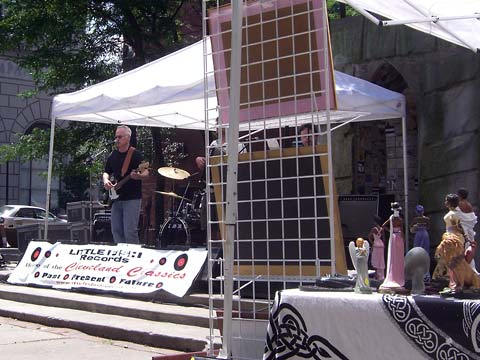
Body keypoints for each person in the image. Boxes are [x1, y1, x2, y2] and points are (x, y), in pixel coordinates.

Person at [103, 125, 149, 244]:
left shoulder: (136, 154)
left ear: (128, 138)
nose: (117, 139)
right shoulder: (112, 155)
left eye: (120, 137)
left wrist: (138, 176)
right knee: (116, 230)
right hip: (116, 198)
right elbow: (106, 172)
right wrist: (106, 180)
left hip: (132, 198)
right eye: (116, 137)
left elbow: (146, 172)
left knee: (130, 231)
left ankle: (134, 257)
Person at [433, 194, 477, 280]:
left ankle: (452, 278)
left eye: (446, 201)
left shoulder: (453, 214)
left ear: (450, 203)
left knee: (450, 258)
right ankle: (450, 278)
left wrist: (465, 237)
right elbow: (459, 227)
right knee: (449, 258)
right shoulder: (455, 213)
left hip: (452, 237)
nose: (445, 202)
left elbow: (457, 227)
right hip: (452, 236)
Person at [379, 202, 405, 292]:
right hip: (398, 236)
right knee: (397, 257)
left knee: (394, 256)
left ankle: (394, 275)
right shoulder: (399, 219)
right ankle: (396, 276)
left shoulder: (391, 219)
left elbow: (383, 226)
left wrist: (390, 230)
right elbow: (402, 230)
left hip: (393, 236)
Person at [456, 188, 477, 270]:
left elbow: (457, 218)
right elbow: (472, 219)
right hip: (469, 231)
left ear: (459, 195)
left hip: (462, 231)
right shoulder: (469, 205)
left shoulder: (460, 204)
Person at [368, 215, 385, 281]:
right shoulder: (381, 229)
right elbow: (384, 239)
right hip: (381, 245)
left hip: (376, 245)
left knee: (375, 260)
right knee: (380, 260)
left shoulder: (374, 229)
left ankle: (376, 275)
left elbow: (369, 236)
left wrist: (372, 243)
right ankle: (380, 276)